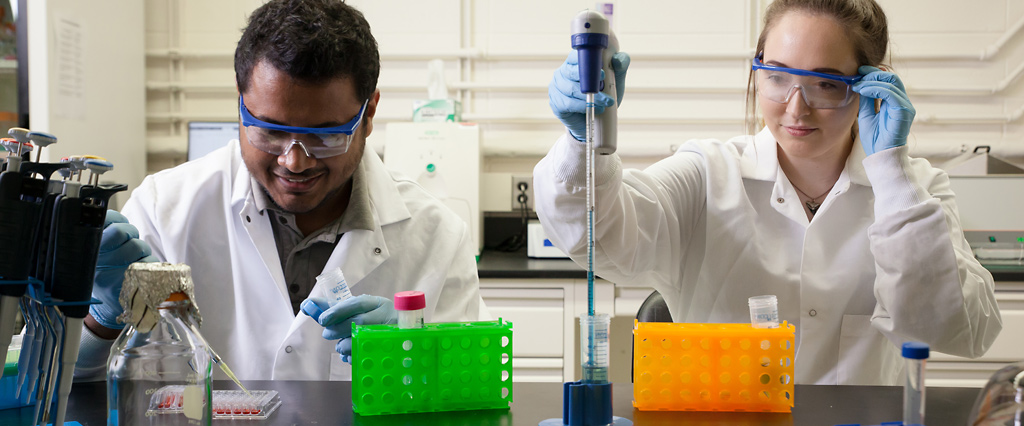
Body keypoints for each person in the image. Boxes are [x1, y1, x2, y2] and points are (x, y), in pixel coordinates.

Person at [536, 0, 1001, 385]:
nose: (796, 108)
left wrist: (892, 177)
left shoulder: (916, 189)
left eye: (825, 83)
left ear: (869, 85)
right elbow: (601, 239)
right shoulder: (708, 173)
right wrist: (584, 144)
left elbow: (962, 331)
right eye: (777, 76)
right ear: (756, 71)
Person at [77, 0, 485, 381]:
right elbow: (68, 386)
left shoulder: (437, 235)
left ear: (369, 113)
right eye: (270, 131)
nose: (295, 162)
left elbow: (475, 388)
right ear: (241, 105)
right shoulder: (164, 209)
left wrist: (424, 356)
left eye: (324, 136)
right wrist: (104, 319)